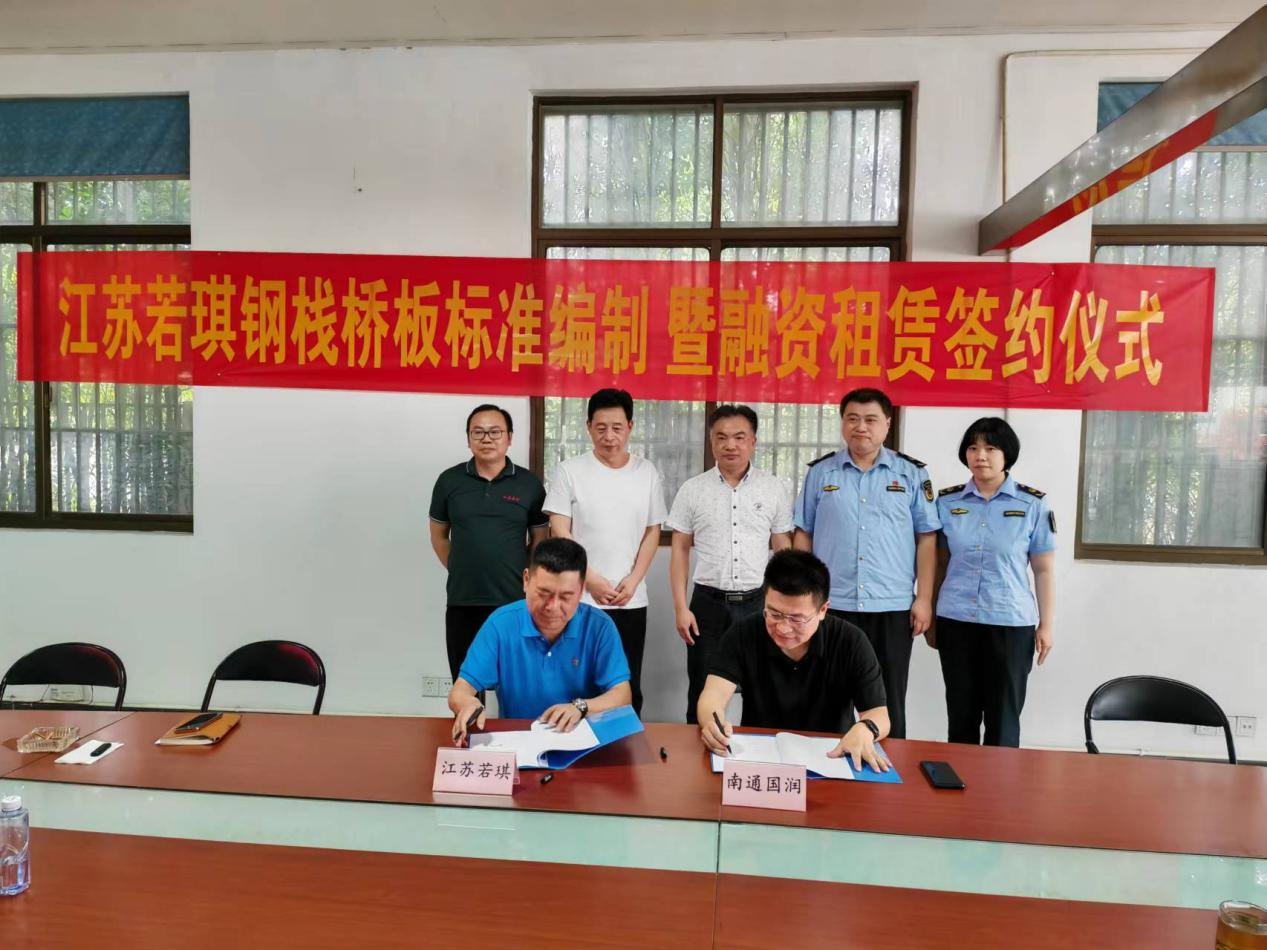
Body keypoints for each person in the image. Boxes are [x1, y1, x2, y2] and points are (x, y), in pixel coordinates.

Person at [792, 387, 939, 740]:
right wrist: (805, 596)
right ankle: (826, 764)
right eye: (853, 419)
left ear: (887, 424)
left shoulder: (911, 474)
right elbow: (803, 534)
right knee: (827, 699)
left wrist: (924, 598)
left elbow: (927, 539)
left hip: (891, 607)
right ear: (843, 423)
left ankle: (890, 767)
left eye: (871, 419)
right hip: (832, 606)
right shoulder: (821, 473)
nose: (861, 427)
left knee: (888, 701)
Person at [696, 549, 891, 773]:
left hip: (830, 759)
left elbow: (879, 714)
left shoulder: (851, 641)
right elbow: (713, 694)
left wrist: (865, 729)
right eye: (774, 613)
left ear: (823, 610)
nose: (783, 627)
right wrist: (711, 722)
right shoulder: (743, 633)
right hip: (761, 759)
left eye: (797, 619)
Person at [932, 417, 1055, 748]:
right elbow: (939, 563)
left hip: (1010, 625)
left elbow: (1043, 570)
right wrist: (930, 612)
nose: (980, 456)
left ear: (1007, 454)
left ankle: (1000, 782)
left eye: (990, 448)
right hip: (956, 621)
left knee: (1003, 722)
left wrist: (1046, 625)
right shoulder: (947, 502)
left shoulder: (1032, 504)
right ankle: (960, 780)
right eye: (973, 448)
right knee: (961, 717)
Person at [667, 404, 793, 723]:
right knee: (702, 689)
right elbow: (679, 550)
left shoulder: (772, 488)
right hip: (707, 606)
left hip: (758, 605)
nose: (730, 445)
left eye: (739, 437)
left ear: (753, 441)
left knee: (762, 690)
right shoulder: (693, 490)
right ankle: (699, 751)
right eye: (721, 437)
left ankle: (756, 751)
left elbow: (783, 548)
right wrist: (681, 608)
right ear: (711, 441)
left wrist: (787, 605)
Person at [544, 388, 666, 715]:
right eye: (601, 428)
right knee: (577, 680)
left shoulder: (646, 472)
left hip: (630, 598)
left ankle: (625, 742)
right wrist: (589, 579)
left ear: (630, 427)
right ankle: (574, 739)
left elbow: (653, 530)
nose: (609, 436)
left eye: (616, 428)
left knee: (626, 682)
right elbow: (560, 528)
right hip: (579, 597)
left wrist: (634, 580)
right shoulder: (570, 471)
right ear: (588, 427)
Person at [448, 538, 632, 744]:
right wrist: (468, 703)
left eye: (566, 597)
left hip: (582, 741)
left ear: (581, 591)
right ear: (526, 580)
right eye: (544, 593)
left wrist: (580, 707)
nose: (552, 607)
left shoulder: (599, 627)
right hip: (519, 740)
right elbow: (461, 689)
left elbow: (622, 695)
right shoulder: (501, 624)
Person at [429, 404, 549, 684]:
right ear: (468, 438)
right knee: (465, 680)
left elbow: (540, 540)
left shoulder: (529, 484)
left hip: (514, 600)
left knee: (515, 681)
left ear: (509, 438)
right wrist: (463, 567)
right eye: (478, 432)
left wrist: (523, 577)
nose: (487, 439)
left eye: (495, 432)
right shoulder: (449, 481)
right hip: (463, 599)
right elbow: (439, 537)